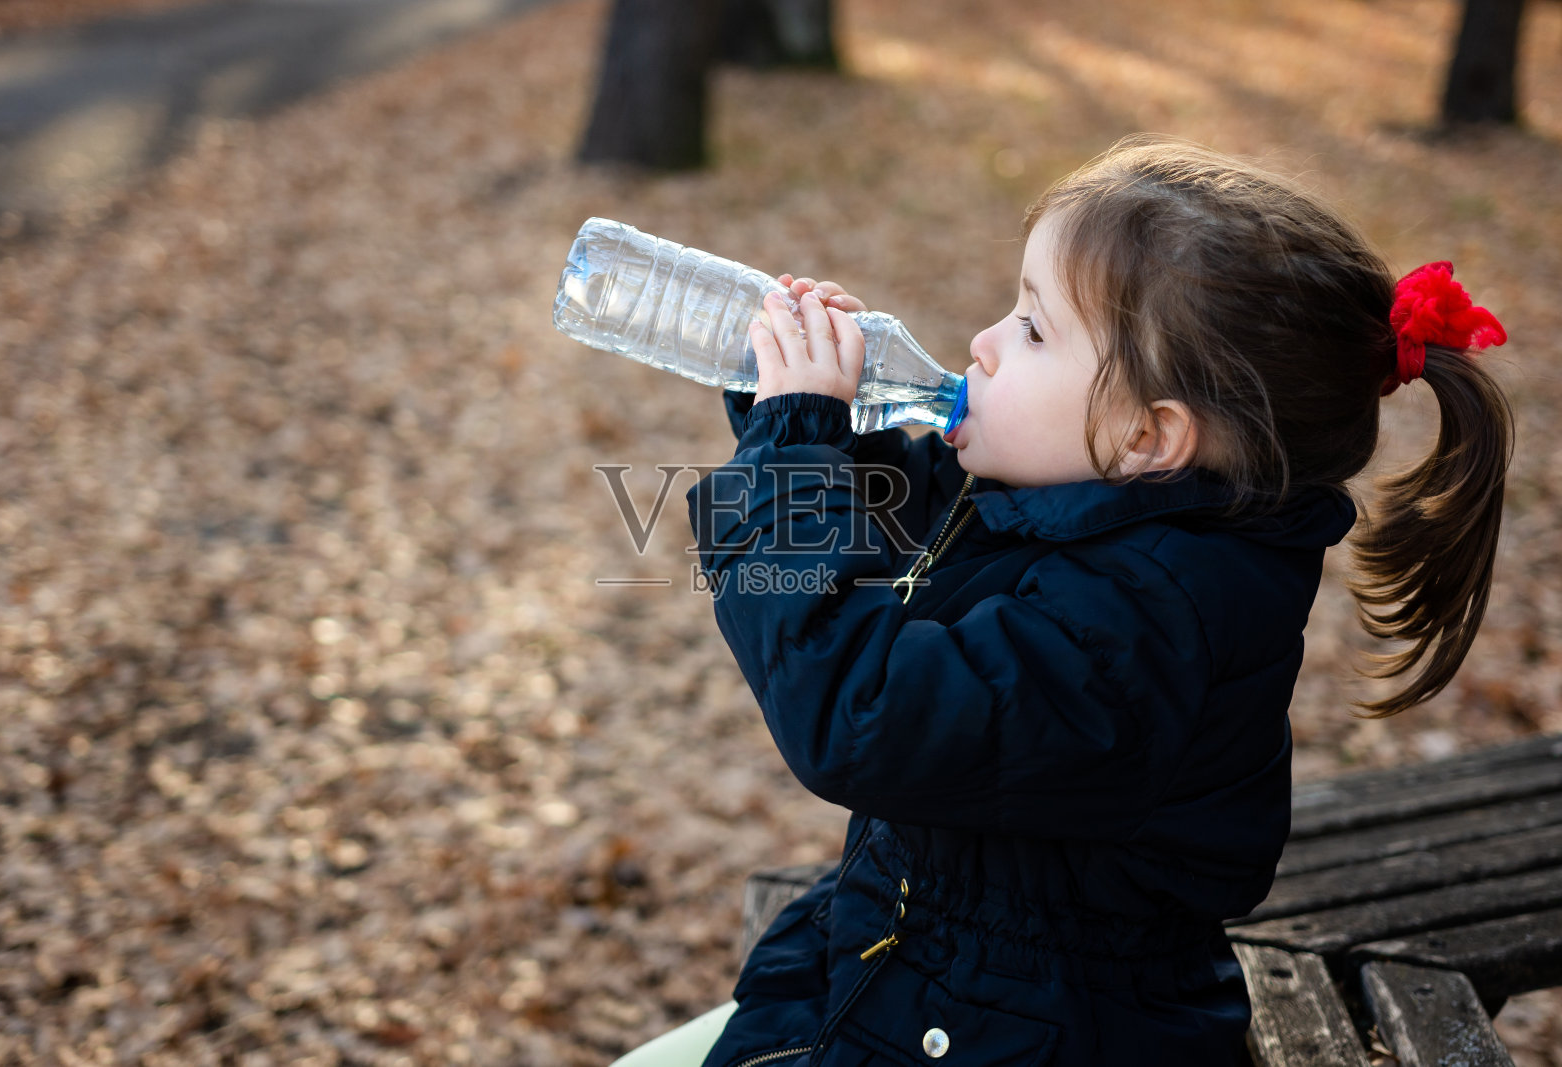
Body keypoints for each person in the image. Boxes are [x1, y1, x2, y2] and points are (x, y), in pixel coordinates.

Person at [614, 135, 1512, 1067]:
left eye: (1033, 330)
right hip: (924, 981)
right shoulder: (1089, 508)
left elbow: (859, 712)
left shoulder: (1141, 630)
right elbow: (916, 542)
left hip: (1012, 1034)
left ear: (1147, 436)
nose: (985, 344)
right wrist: (816, 428)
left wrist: (794, 460)